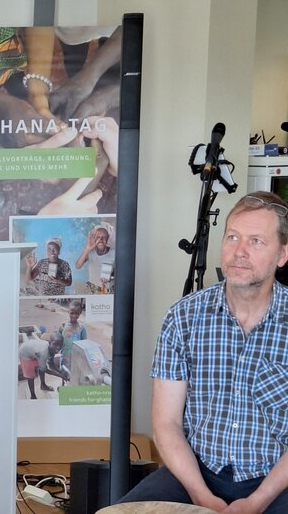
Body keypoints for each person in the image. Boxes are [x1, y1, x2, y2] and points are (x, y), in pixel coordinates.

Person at [118, 191, 288, 512]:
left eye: (256, 241)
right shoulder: (184, 318)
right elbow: (167, 423)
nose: (239, 251)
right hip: (197, 473)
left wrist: (258, 501)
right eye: (233, 237)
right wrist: (201, 497)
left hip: (277, 478)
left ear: (282, 255)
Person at [19, 331, 64, 399]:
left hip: (34, 352)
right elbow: (45, 369)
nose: (58, 347)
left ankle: (43, 385)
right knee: (30, 376)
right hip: (25, 353)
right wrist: (59, 375)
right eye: (55, 344)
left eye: (60, 345)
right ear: (49, 343)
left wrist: (60, 372)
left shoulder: (52, 349)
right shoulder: (43, 353)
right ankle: (33, 395)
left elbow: (51, 364)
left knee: (41, 367)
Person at [75, 222, 115, 294]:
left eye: (104, 237)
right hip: (93, 289)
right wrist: (87, 249)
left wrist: (111, 277)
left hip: (110, 289)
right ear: (94, 239)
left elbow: (120, 272)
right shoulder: (90, 251)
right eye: (98, 237)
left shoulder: (114, 253)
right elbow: (78, 266)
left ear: (108, 238)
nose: (100, 239)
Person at [57, 300, 87, 370]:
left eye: (76, 313)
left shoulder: (81, 328)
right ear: (68, 312)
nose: (74, 316)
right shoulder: (63, 326)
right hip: (64, 356)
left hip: (77, 358)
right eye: (72, 313)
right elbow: (59, 339)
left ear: (80, 313)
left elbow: (85, 344)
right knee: (64, 373)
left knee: (74, 375)